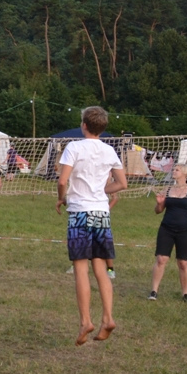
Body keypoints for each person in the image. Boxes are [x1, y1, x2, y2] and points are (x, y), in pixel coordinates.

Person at [56, 106, 128, 346]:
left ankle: (86, 321)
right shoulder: (109, 150)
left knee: (80, 268)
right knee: (100, 267)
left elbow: (63, 180)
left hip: (79, 212)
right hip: (101, 213)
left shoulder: (74, 147)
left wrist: (62, 198)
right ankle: (107, 318)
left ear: (84, 125)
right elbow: (122, 183)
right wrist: (100, 191)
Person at [149, 164, 187, 301]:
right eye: (173, 169)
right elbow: (158, 211)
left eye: (177, 170)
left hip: (185, 231)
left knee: (183, 263)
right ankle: (154, 291)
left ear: (184, 173)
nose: (174, 171)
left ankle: (185, 294)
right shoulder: (167, 189)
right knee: (161, 259)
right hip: (166, 229)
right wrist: (159, 203)